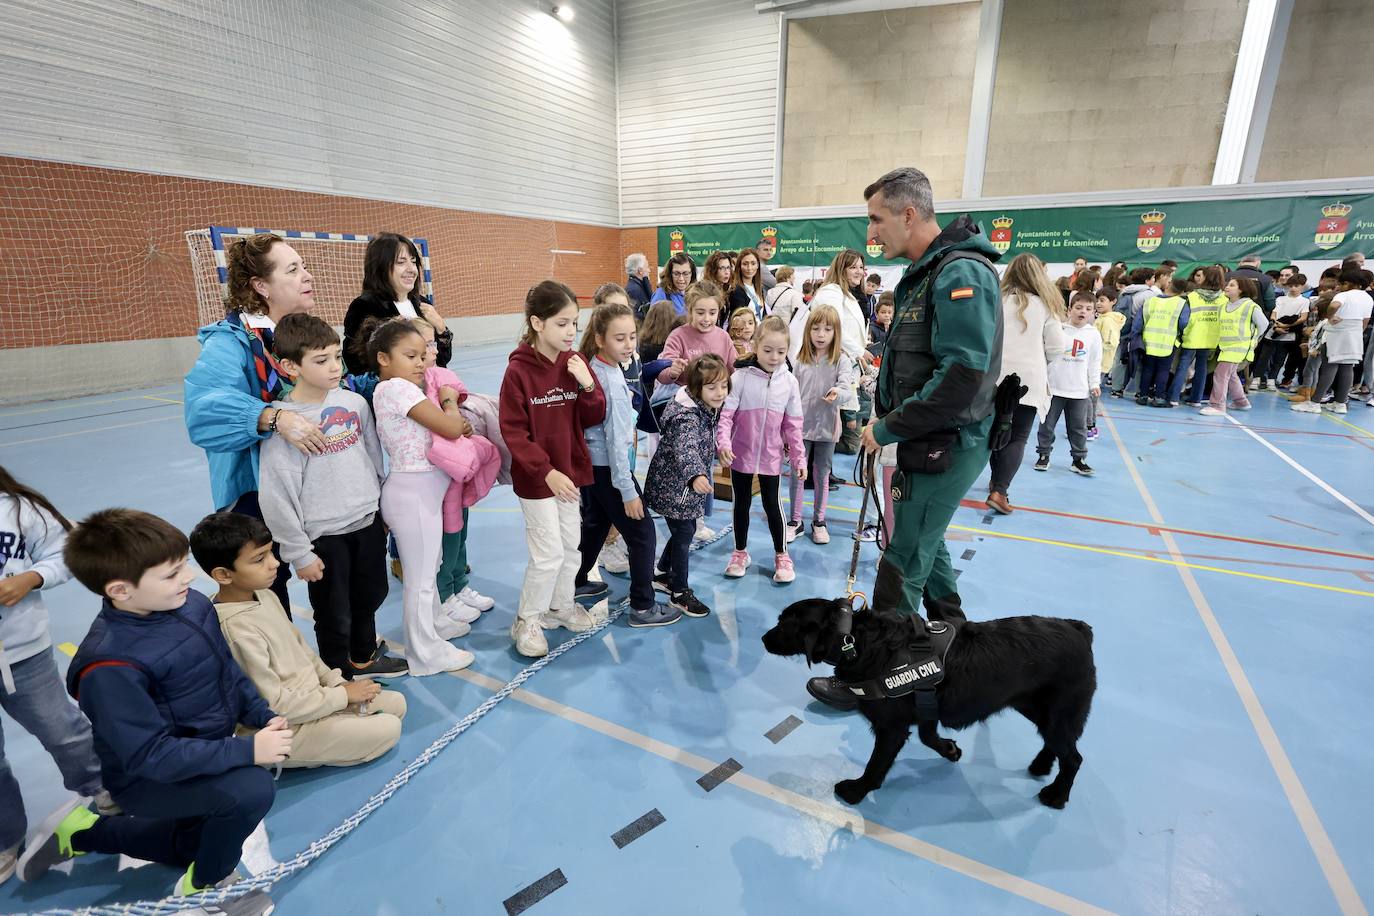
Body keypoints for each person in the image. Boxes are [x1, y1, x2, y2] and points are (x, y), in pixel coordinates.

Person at [20, 509, 282, 914]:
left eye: (183, 567)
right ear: (121, 590)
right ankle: (205, 888)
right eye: (172, 574)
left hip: (200, 751)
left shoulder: (191, 605)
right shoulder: (108, 666)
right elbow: (149, 757)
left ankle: (84, 832)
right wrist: (248, 752)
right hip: (147, 779)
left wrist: (260, 715)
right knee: (251, 790)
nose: (189, 578)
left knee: (197, 843)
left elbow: (226, 669)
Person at [809, 167, 1004, 711]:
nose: (871, 233)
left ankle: (870, 677)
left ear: (909, 214)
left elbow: (963, 373)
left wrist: (887, 427)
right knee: (927, 540)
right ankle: (957, 639)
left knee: (902, 557)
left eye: (876, 219)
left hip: (944, 442)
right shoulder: (926, 272)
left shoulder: (958, 273)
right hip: (927, 440)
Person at [190, 513, 407, 768]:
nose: (274, 564)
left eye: (271, 553)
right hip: (288, 726)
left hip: (315, 700)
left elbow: (306, 653)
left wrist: (338, 685)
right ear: (224, 574)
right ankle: (298, 752)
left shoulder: (264, 595)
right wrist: (341, 698)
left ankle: (343, 725)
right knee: (389, 728)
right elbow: (274, 705)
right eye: (259, 560)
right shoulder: (236, 629)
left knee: (396, 704)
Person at [184, 233, 327, 611]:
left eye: (304, 266)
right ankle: (276, 666)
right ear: (261, 286)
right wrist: (272, 416)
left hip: (309, 480)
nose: (307, 276)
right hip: (255, 492)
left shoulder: (299, 335)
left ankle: (344, 659)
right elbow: (203, 411)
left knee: (327, 572)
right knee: (266, 588)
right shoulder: (231, 341)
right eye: (293, 269)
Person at [258, 314, 404, 679]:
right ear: (290, 366)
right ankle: (338, 676)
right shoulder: (287, 424)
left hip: (367, 521)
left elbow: (373, 459)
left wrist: (380, 508)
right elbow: (277, 494)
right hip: (324, 536)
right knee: (334, 612)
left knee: (371, 594)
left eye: (336, 357)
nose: (334, 367)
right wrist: (298, 552)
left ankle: (363, 655)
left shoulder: (354, 404)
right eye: (321, 361)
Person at [0, 469, 113, 886]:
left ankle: (105, 789)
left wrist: (31, 577)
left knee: (62, 729)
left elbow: (65, 551)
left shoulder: (17, 509)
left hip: (23, 652)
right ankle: (5, 837)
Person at [363, 317, 478, 674]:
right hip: (412, 493)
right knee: (421, 579)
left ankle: (434, 626)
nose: (420, 362)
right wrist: (449, 402)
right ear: (383, 358)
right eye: (409, 355)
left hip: (419, 491)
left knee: (431, 567)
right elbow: (448, 426)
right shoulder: (399, 389)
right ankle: (424, 653)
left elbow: (451, 428)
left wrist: (455, 422)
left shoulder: (393, 389)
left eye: (423, 354)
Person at [500, 282, 607, 658]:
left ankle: (559, 607)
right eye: (562, 324)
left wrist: (588, 384)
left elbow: (593, 415)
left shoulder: (573, 363)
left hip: (570, 474)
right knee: (546, 554)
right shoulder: (518, 372)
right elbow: (514, 431)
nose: (570, 332)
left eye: (575, 324)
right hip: (537, 480)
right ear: (537, 323)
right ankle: (527, 619)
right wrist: (546, 471)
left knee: (569, 548)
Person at [571, 302, 680, 629]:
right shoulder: (613, 384)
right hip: (610, 468)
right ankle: (643, 606)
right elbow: (617, 442)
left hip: (596, 466)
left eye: (632, 336)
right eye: (620, 338)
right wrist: (628, 490)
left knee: (595, 523)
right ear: (600, 339)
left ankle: (576, 581)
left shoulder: (599, 366)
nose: (629, 344)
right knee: (644, 534)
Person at [408, 318, 499, 621]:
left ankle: (460, 584)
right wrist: (451, 414)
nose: (433, 351)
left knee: (461, 528)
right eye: (425, 347)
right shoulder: (407, 390)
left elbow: (458, 418)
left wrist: (461, 422)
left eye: (432, 344)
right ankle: (444, 593)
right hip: (432, 477)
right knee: (445, 536)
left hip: (456, 472)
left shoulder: (440, 377)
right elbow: (446, 424)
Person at [718, 316, 805, 583]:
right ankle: (740, 552)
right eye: (768, 350)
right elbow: (726, 416)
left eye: (781, 351)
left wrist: (799, 457)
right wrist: (723, 442)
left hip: (771, 458)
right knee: (740, 504)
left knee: (772, 504)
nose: (774, 357)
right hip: (740, 456)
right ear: (756, 346)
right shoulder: (740, 377)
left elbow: (794, 425)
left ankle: (782, 556)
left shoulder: (789, 382)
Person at [645, 355, 728, 620]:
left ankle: (662, 572)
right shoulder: (687, 417)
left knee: (687, 529)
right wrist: (695, 475)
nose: (719, 393)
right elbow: (686, 448)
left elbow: (703, 440)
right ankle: (679, 592)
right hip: (674, 487)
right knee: (684, 534)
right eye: (712, 387)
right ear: (696, 387)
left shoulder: (702, 407)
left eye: (724, 386)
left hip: (678, 485)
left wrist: (719, 450)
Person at [986, 254, 1067, 515]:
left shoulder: (995, 300)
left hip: (993, 378)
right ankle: (1000, 489)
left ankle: (995, 481)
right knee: (1017, 436)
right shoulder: (1046, 305)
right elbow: (1056, 347)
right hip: (1027, 381)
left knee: (994, 431)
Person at [786, 306, 856, 545]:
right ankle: (795, 521)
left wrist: (838, 392)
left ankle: (819, 521)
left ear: (836, 332)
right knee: (797, 472)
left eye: (827, 329)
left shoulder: (841, 360)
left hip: (827, 427)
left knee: (822, 473)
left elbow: (847, 390)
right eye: (816, 328)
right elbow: (792, 393)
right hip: (800, 427)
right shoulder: (800, 359)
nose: (821, 334)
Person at [795, 249, 872, 454]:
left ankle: (823, 468)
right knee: (822, 416)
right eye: (853, 267)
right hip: (828, 362)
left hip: (843, 362)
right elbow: (832, 327)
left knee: (831, 416)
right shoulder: (832, 292)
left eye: (860, 267)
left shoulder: (845, 293)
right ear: (841, 268)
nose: (858, 271)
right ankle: (812, 465)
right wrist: (858, 351)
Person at [343, 233, 451, 375]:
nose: (411, 269)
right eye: (401, 262)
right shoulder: (364, 306)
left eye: (413, 262)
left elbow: (441, 360)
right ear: (381, 268)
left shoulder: (422, 304)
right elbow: (356, 364)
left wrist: (441, 329)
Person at [1035, 294, 1101, 474]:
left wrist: (1094, 383)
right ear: (1069, 309)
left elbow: (1095, 361)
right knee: (1047, 424)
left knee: (1078, 428)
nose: (1083, 312)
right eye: (1079, 307)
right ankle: (1043, 454)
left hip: (1079, 391)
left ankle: (1078, 459)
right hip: (1054, 388)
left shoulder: (1093, 335)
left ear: (1094, 312)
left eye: (1088, 309)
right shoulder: (1059, 329)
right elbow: (1044, 355)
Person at [1292, 268, 1372, 415]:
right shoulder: (1368, 297)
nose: (1339, 287)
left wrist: (1330, 317)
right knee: (1347, 368)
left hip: (1337, 332)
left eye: (1341, 284)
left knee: (1329, 368)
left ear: (1347, 283)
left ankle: (1315, 403)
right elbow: (1365, 321)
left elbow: (1334, 306)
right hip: (1355, 334)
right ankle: (1340, 403)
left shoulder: (1343, 295)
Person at [1200, 277, 1268, 416]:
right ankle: (1241, 402)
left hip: (1239, 347)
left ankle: (1217, 405)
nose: (1227, 287)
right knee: (1231, 375)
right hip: (1225, 346)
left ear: (1241, 289)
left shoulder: (1250, 306)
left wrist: (1253, 339)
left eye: (1232, 285)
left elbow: (1263, 324)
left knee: (1220, 374)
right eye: (1227, 284)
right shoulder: (1223, 306)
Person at [1168, 266, 1225, 406]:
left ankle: (1174, 398)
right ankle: (1196, 399)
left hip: (1192, 336)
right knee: (1202, 368)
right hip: (1211, 338)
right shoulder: (1224, 298)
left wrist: (1181, 333)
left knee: (1183, 366)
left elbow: (1184, 320)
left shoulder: (1192, 296)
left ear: (1206, 277)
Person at [1135, 276, 1191, 407]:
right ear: (1183, 291)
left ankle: (1143, 396)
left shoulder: (1150, 301)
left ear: (1168, 285)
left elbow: (1140, 320)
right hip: (1168, 342)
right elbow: (1183, 323)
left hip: (1148, 340)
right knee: (1163, 370)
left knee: (1147, 369)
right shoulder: (1181, 304)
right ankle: (1159, 398)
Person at [1257, 275, 1308, 391]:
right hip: (1273, 331)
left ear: (1302, 286)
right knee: (1264, 357)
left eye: (1296, 286)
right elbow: (1273, 313)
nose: (1293, 288)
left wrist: (1287, 325)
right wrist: (1275, 325)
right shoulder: (1280, 299)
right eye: (1291, 286)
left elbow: (1303, 317)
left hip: (1288, 335)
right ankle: (1256, 378)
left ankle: (1272, 380)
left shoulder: (1304, 301)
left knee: (1279, 359)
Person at [1092, 288, 1125, 434]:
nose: (1098, 303)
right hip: (1096, 363)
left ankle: (1089, 426)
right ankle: (1089, 424)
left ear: (1113, 302)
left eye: (1102, 300)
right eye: (1097, 300)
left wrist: (1092, 348)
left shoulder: (1109, 321)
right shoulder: (1101, 318)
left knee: (1090, 397)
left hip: (1099, 364)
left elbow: (1110, 343)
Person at [728, 247, 766, 319]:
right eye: (745, 264)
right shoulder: (736, 290)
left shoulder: (759, 288)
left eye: (753, 263)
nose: (749, 268)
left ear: (758, 265)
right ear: (739, 266)